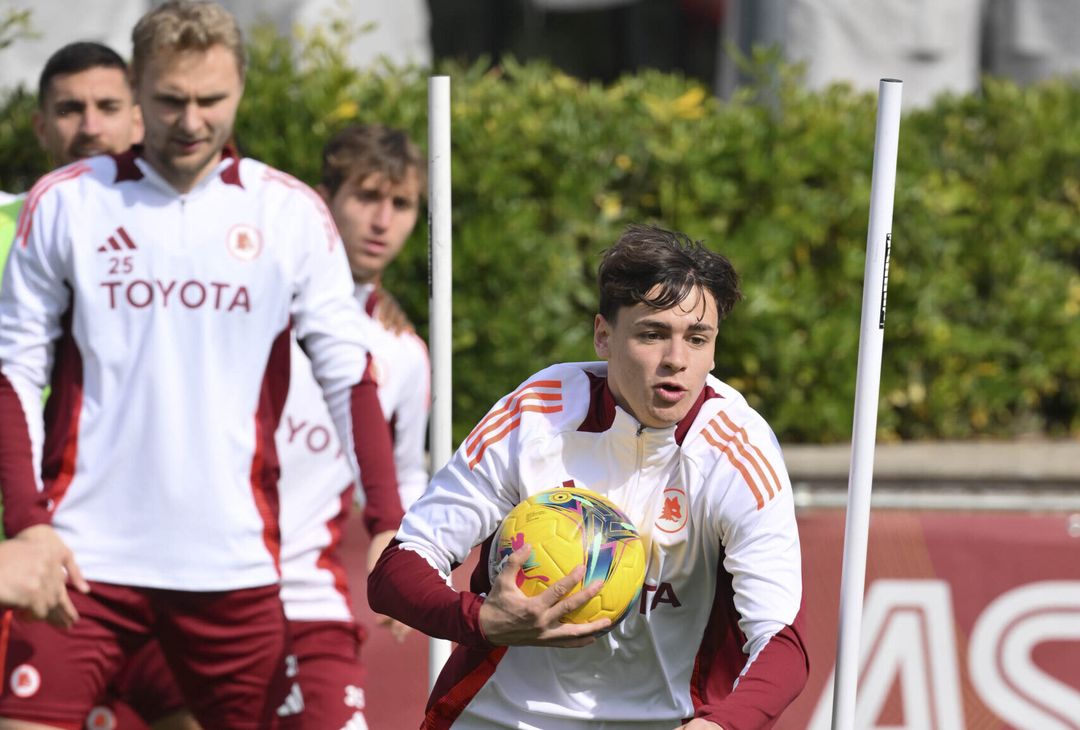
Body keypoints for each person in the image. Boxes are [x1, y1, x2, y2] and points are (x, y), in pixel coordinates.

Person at [0, 2, 403, 728]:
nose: (191, 120)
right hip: (80, 560)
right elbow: (14, 374)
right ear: (138, 93)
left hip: (233, 568)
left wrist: (386, 521)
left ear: (241, 89)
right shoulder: (67, 203)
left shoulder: (290, 213)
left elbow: (351, 376)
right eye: (170, 100)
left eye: (212, 99)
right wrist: (27, 522)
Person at [369, 224, 809, 729]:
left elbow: (783, 643)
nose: (677, 360)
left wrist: (722, 725)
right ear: (603, 335)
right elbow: (396, 569)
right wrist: (482, 620)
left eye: (697, 338)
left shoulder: (737, 446)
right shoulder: (538, 414)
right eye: (652, 334)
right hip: (500, 718)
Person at [1, 40, 143, 281]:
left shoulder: (181, 226)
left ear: (138, 123)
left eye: (108, 107)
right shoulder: (5, 223)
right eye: (69, 110)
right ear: (42, 128)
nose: (90, 128)